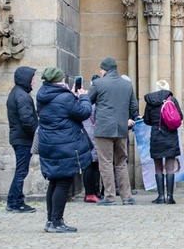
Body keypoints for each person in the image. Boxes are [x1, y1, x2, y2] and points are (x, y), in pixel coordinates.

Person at [36, 67, 92, 233]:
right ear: (60, 80)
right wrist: (84, 97)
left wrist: (71, 97)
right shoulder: (64, 97)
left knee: (54, 181)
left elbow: (62, 110)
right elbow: (84, 112)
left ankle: (50, 220)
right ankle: (57, 221)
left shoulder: (43, 95)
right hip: (64, 144)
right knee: (63, 182)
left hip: (50, 143)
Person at [88, 57, 139, 205]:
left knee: (105, 163)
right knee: (121, 163)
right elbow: (133, 106)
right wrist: (124, 118)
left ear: (105, 70)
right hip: (121, 129)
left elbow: (88, 102)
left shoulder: (98, 83)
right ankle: (127, 196)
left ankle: (109, 197)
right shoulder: (127, 84)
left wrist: (81, 96)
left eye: (101, 69)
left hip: (103, 129)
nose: (100, 71)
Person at [143, 80, 183, 204]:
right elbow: (180, 117)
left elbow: (147, 120)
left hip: (156, 135)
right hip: (170, 135)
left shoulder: (150, 101)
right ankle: (170, 197)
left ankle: (160, 196)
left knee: (158, 167)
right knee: (170, 167)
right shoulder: (172, 100)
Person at [5, 66, 38, 213]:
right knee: (21, 171)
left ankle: (14, 200)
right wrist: (37, 134)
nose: (33, 81)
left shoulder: (17, 93)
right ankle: (15, 202)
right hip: (23, 139)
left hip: (19, 137)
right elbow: (27, 121)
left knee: (21, 170)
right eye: (32, 78)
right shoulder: (22, 96)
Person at [82, 75, 101, 203]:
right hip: (93, 134)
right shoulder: (94, 99)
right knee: (92, 166)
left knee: (92, 165)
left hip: (86, 132)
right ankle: (91, 192)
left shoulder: (85, 98)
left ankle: (93, 192)